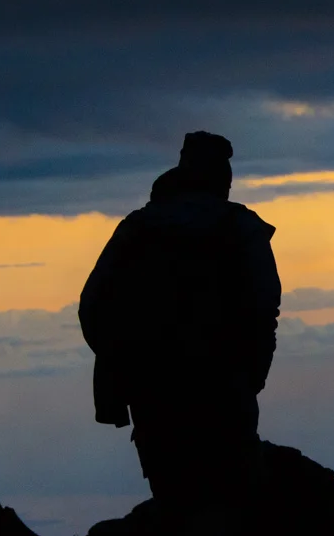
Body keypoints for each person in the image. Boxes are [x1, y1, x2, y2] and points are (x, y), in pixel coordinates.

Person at [78, 131, 282, 501]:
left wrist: (124, 362)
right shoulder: (240, 226)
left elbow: (92, 306)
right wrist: (253, 371)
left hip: (153, 387)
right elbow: (265, 305)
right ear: (220, 175)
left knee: (173, 496)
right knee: (232, 497)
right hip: (223, 383)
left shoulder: (137, 227)